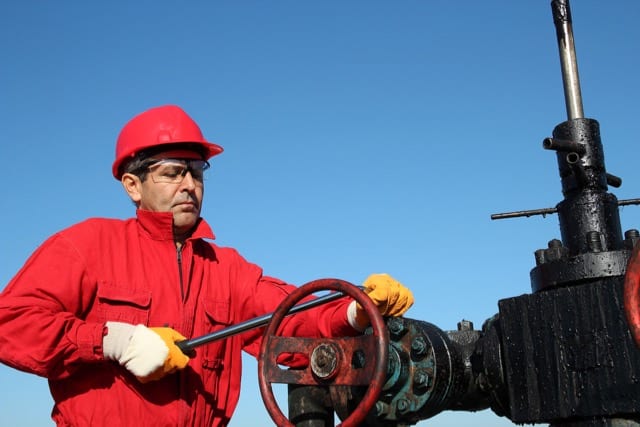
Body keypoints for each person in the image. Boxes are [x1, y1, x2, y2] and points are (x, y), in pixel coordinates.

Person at [0, 105, 414, 427]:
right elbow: (10, 324)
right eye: (172, 172)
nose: (189, 186)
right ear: (132, 185)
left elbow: (287, 317)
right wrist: (111, 340)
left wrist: (353, 310)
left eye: (197, 173)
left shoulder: (225, 268)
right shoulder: (87, 245)